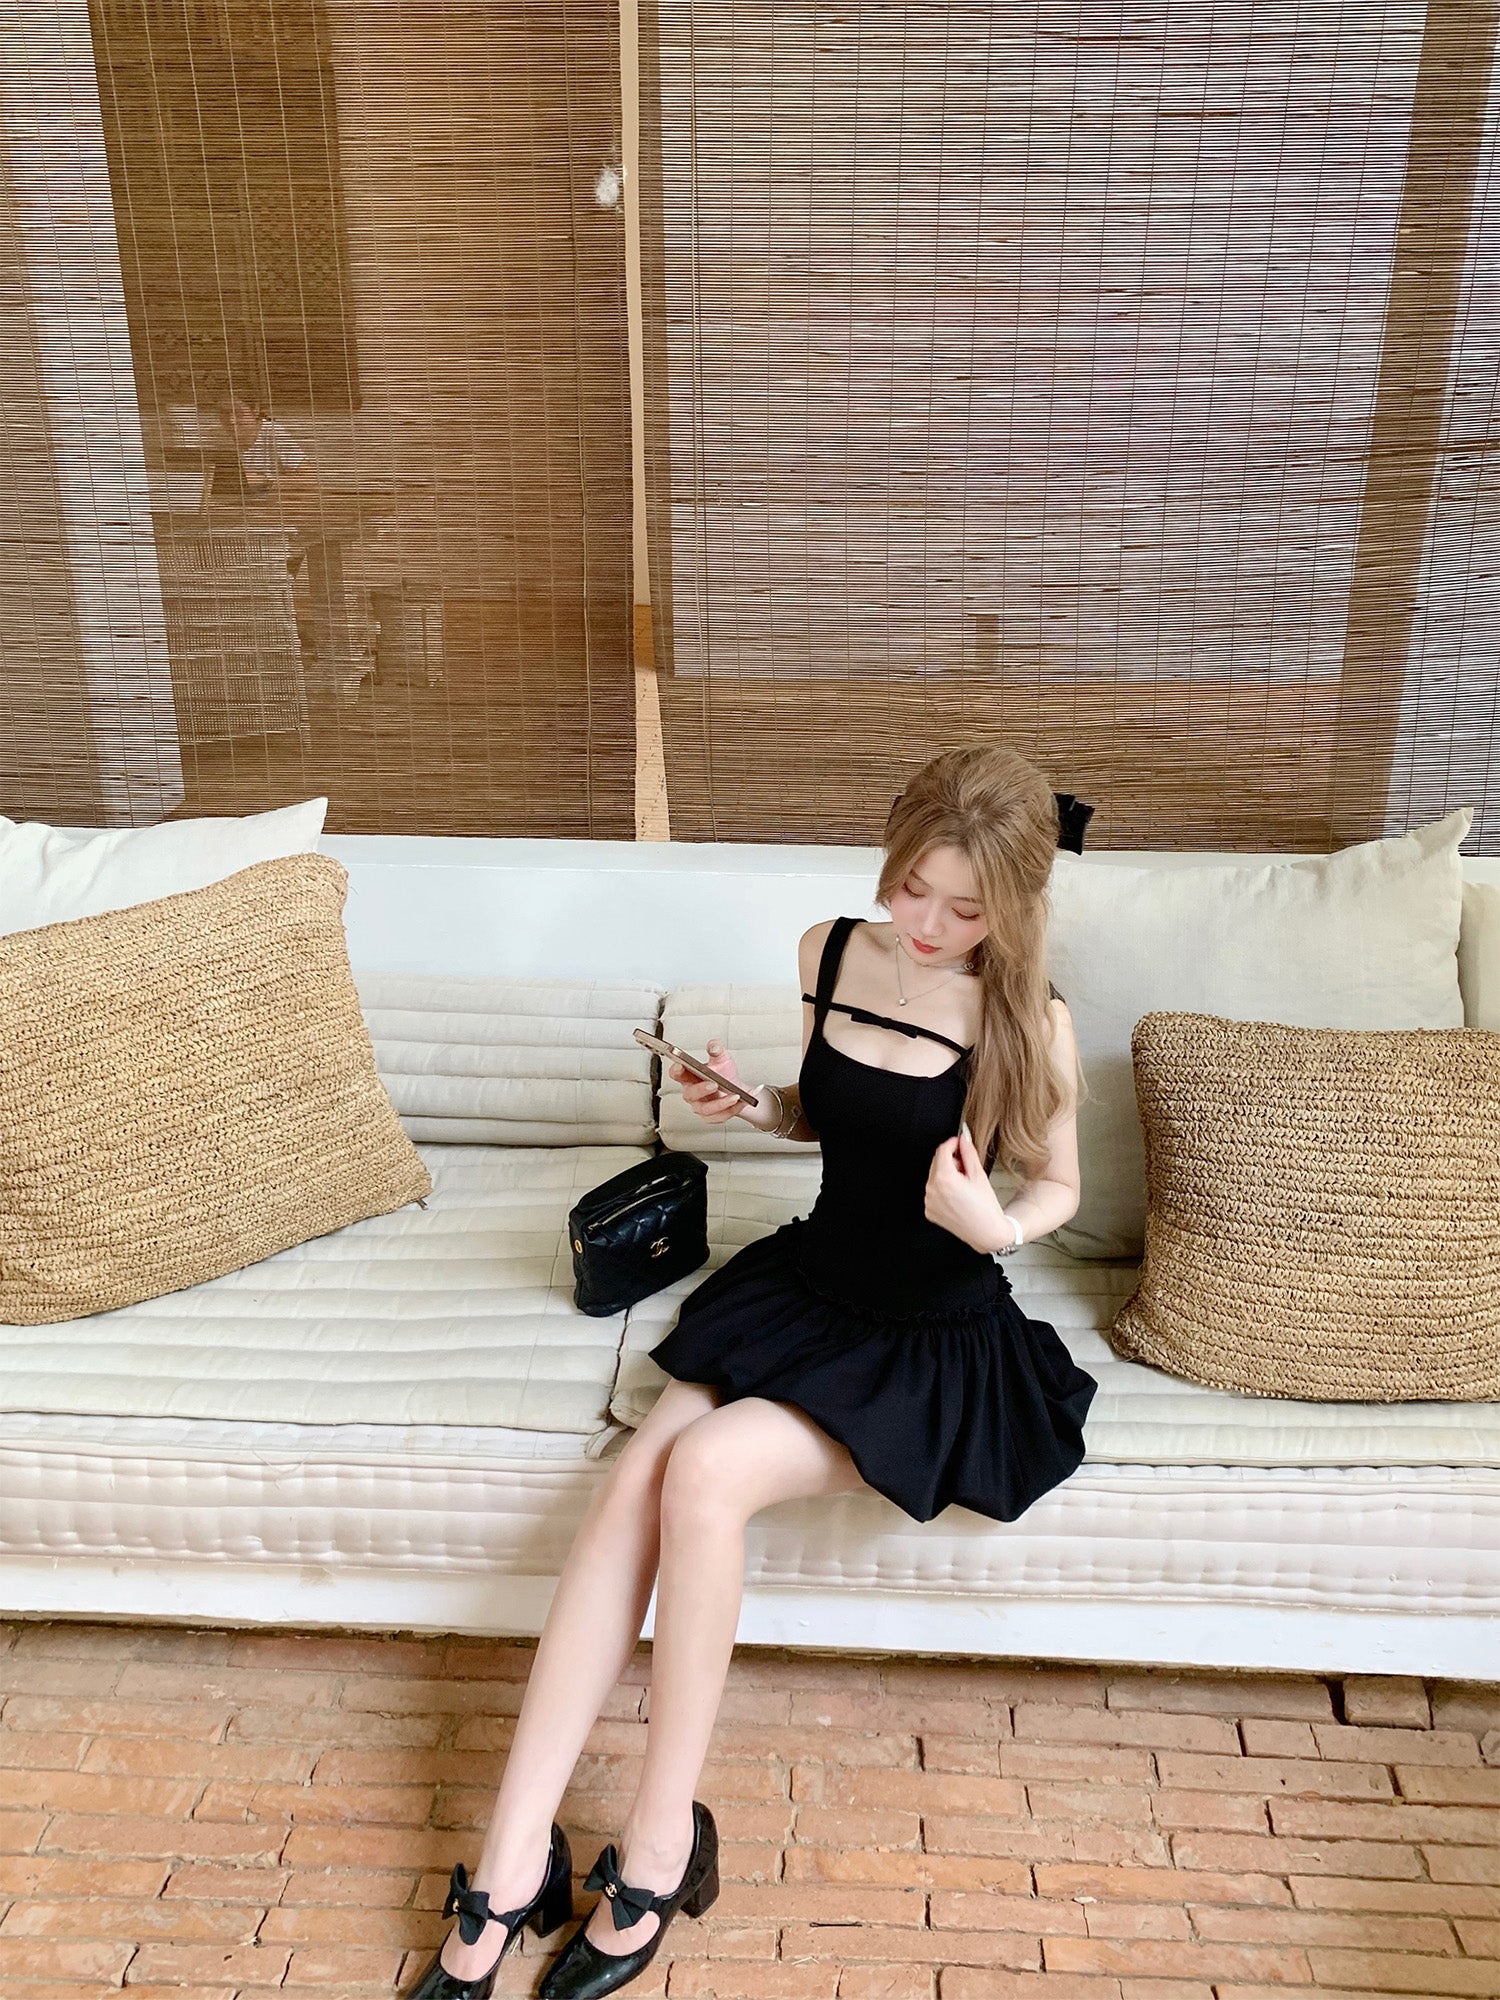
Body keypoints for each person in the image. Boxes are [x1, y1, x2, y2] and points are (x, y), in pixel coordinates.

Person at [403, 743, 1099, 2000]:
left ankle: (662, 1843)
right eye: (913, 888)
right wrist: (754, 1103)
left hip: (930, 1337)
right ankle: (511, 1858)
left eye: (965, 908)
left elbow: (1060, 1186)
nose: (928, 924)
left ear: (1014, 904)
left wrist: (996, 1226)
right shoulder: (827, 952)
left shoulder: (1028, 1016)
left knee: (706, 1470)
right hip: (807, 1284)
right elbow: (832, 1115)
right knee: (634, 1479)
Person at [212, 391, 309, 495]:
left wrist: (264, 480)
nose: (231, 420)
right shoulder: (216, 438)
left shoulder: (273, 434)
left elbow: (308, 477)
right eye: (224, 412)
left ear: (255, 410)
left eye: (238, 412)